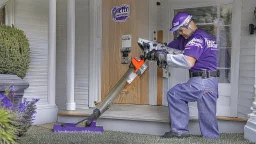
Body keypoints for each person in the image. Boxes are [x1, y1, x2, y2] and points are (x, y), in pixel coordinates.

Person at [149, 12, 220, 139]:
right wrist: (154, 49)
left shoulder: (197, 38)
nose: (181, 33)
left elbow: (188, 61)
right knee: (208, 119)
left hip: (201, 82)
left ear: (189, 24)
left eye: (181, 30)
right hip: (210, 81)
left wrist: (164, 58)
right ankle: (212, 138)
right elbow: (168, 47)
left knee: (174, 94)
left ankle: (180, 131)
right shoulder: (199, 38)